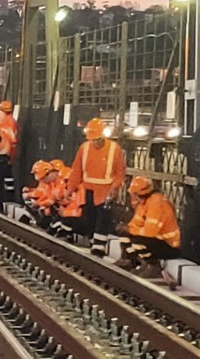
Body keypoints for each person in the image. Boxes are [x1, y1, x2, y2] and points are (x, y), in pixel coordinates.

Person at [67, 120, 127, 256]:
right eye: (93, 140)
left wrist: (115, 187)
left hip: (106, 191)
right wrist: (71, 188)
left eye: (98, 140)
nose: (96, 143)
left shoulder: (114, 149)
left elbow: (120, 172)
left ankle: (99, 247)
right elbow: (76, 170)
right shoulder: (84, 148)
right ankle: (92, 240)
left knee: (103, 218)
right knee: (90, 217)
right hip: (88, 190)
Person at [117, 177, 180, 279]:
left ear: (139, 194)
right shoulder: (144, 203)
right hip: (157, 240)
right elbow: (135, 223)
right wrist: (127, 228)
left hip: (169, 244)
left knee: (138, 241)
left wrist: (131, 230)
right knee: (124, 234)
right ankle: (132, 261)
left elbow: (150, 232)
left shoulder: (157, 204)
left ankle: (154, 266)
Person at [0, 99, 21, 216]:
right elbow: (13, 142)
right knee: (7, 183)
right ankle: (7, 205)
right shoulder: (12, 123)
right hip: (6, 157)